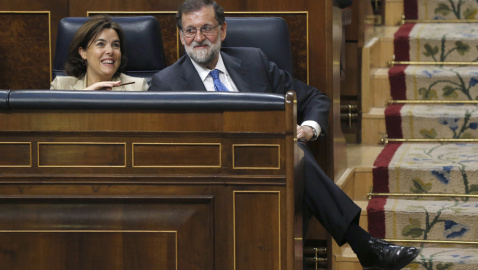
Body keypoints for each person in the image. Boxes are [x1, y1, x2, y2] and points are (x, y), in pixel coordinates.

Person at [150, 1, 419, 269]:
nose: (198, 38)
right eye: (190, 31)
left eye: (206, 28)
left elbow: (314, 97)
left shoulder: (254, 61)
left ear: (222, 31)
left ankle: (363, 246)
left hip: (272, 163)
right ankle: (363, 245)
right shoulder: (167, 83)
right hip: (211, 172)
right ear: (181, 35)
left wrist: (309, 128)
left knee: (293, 153)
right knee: (295, 157)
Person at [51, 15, 148, 91]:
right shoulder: (61, 86)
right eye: (101, 44)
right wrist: (83, 97)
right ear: (83, 52)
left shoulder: (137, 87)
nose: (110, 51)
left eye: (115, 45)